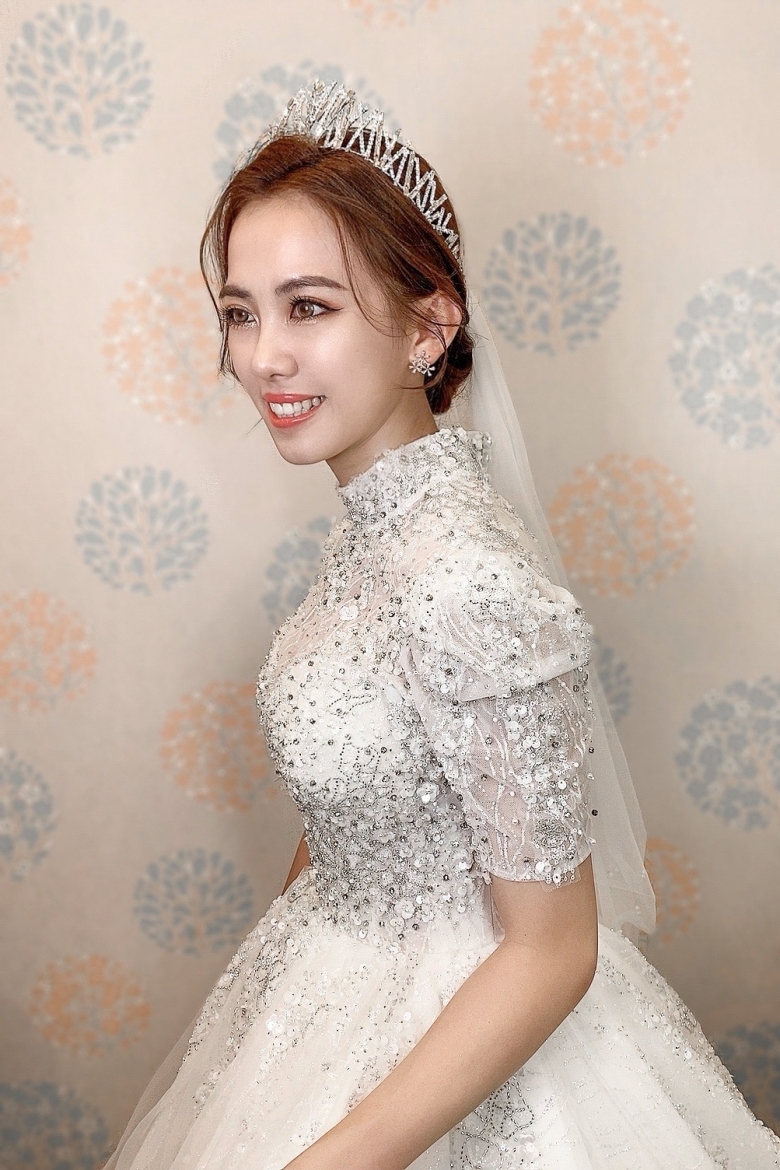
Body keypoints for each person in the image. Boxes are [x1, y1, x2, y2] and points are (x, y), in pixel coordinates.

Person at [103, 80, 780, 1169]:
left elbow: (553, 951)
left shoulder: (464, 574)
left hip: (470, 1054)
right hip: (332, 1002)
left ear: (430, 324)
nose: (262, 356)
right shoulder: (376, 536)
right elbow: (364, 809)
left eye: (308, 307)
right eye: (240, 312)